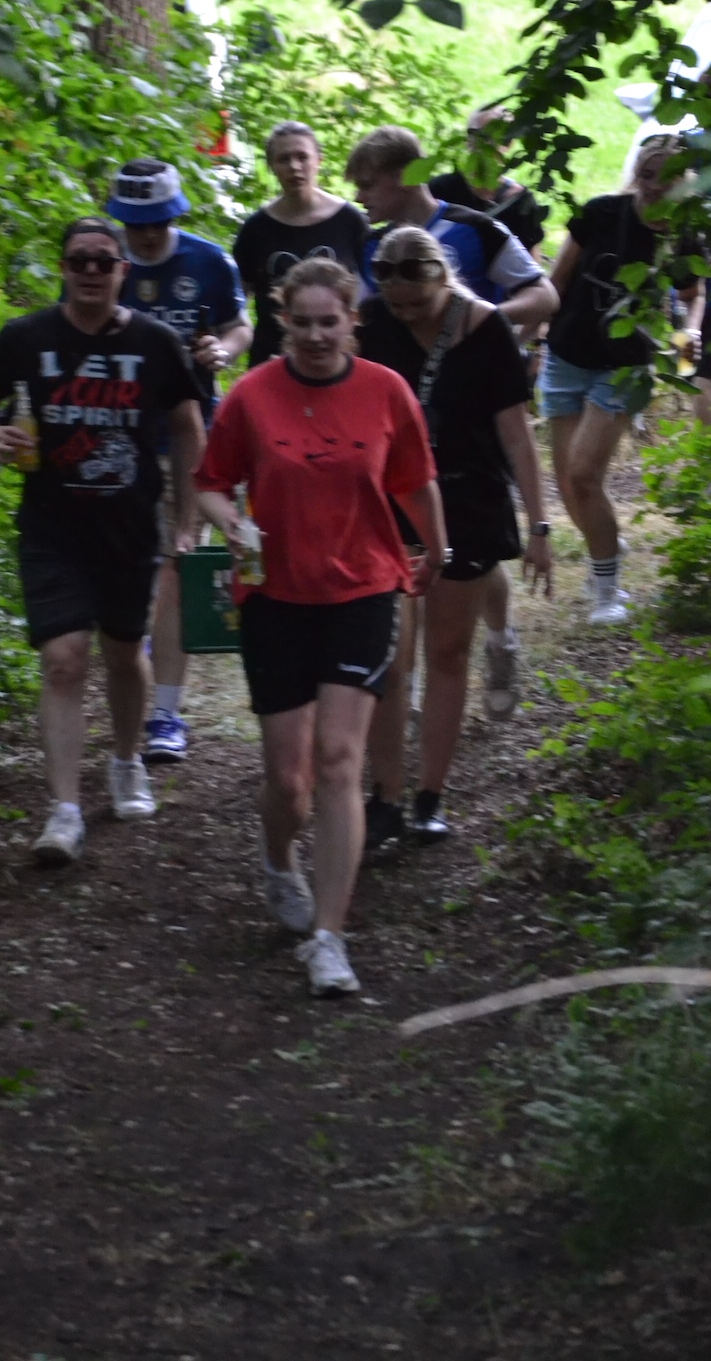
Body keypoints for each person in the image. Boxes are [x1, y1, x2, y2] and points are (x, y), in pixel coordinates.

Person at [195, 258, 446, 998]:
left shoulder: (386, 390)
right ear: (282, 321)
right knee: (290, 780)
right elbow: (209, 482)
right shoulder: (251, 395)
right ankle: (279, 858)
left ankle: (330, 939)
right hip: (275, 594)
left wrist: (438, 548)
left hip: (364, 586)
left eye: (327, 322)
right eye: (300, 323)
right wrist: (230, 523)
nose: (314, 335)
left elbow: (414, 479)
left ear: (352, 320)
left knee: (339, 758)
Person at [0, 216, 206, 865]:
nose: (91, 270)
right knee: (64, 659)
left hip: (129, 526)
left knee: (123, 650)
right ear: (63, 269)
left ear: (123, 270)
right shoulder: (26, 337)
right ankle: (63, 811)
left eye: (102, 260)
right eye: (78, 260)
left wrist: (188, 518)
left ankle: (126, 761)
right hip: (52, 526)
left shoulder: (154, 342)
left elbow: (187, 425)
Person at [347, 124, 560, 720]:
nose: (360, 197)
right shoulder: (375, 250)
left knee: (475, 557)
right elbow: (367, 328)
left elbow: (544, 296)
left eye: (368, 184)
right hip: (410, 432)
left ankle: (499, 637)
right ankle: (409, 688)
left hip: (474, 412)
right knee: (413, 566)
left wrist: (480, 327)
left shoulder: (475, 228)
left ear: (402, 176)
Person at [358, 226, 553, 845]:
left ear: (443, 278)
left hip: (468, 500)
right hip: (392, 502)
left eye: (419, 302)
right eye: (398, 305)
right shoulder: (372, 323)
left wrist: (539, 523)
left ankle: (430, 796)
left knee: (446, 652)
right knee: (390, 656)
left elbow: (517, 433)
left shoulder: (486, 328)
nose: (409, 314)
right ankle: (385, 794)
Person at [105, 158, 252, 762]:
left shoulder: (209, 262)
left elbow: (240, 326)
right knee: (127, 573)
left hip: (192, 438)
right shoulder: (100, 264)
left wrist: (224, 350)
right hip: (115, 440)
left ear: (175, 216)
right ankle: (135, 655)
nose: (145, 236)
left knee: (178, 566)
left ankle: (165, 713)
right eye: (134, 224)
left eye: (156, 223)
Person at [540, 135, 702, 622]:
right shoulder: (601, 213)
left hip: (625, 367)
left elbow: (692, 295)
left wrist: (688, 339)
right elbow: (556, 282)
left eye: (667, 178)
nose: (654, 186)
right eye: (647, 174)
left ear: (684, 183)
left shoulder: (682, 236)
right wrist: (529, 340)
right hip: (565, 354)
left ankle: (608, 594)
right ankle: (604, 542)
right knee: (570, 486)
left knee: (584, 474)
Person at [232, 121, 368, 367]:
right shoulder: (256, 228)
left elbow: (371, 291)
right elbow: (235, 300)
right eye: (284, 159)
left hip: (337, 358)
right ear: (272, 166)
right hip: (272, 360)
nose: (294, 166)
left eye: (302, 157)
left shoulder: (350, 221)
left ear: (318, 160)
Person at [430, 105, 548, 256]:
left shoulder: (521, 202)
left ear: (508, 144)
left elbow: (531, 260)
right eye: (474, 134)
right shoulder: (441, 189)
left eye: (489, 137)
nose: (481, 144)